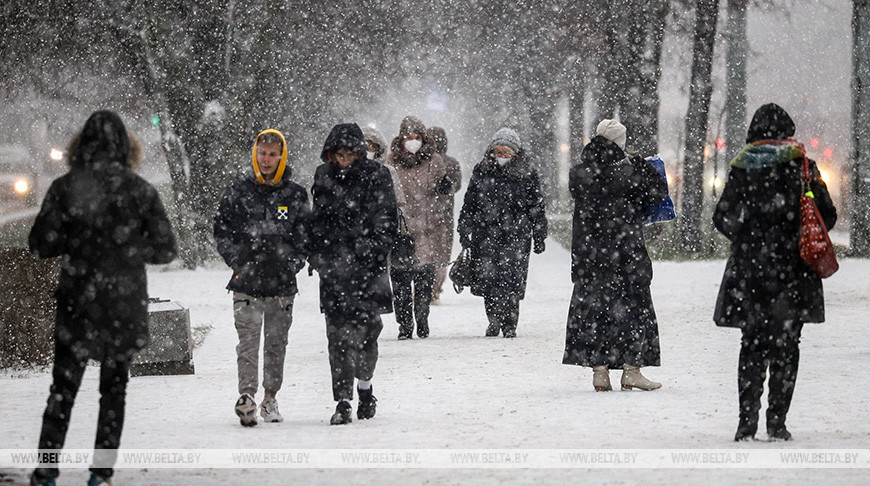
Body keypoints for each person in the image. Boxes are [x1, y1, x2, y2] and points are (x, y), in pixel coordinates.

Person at [28, 111, 177, 486]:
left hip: (78, 300)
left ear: (80, 146)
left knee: (62, 391)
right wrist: (126, 248)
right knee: (113, 393)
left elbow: (39, 243)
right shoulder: (140, 191)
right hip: (121, 304)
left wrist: (77, 243)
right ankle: (101, 472)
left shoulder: (65, 188)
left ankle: (46, 469)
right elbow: (165, 249)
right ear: (126, 147)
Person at [713, 103, 837, 442]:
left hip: (752, 273)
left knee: (751, 345)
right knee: (787, 346)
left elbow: (722, 216)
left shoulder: (743, 167)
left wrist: (747, 240)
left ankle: (746, 422)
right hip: (793, 272)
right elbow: (828, 215)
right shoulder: (804, 167)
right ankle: (777, 422)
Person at [561, 119, 667, 391]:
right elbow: (658, 193)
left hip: (590, 255)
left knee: (595, 311)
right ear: (620, 143)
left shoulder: (579, 173)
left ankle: (600, 372)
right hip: (626, 254)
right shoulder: (631, 173)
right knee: (632, 310)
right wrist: (643, 164)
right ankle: (632, 369)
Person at [214, 129, 309, 427]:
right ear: (255, 154)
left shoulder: (294, 194)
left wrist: (292, 262)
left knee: (276, 343)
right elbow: (222, 231)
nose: (266, 159)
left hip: (281, 286)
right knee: (248, 342)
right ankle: (247, 396)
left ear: (281, 156)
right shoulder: (238, 192)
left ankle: (270, 398)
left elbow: (304, 236)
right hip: (246, 283)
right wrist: (237, 261)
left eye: (272, 154)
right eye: (262, 153)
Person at [308, 122, 397, 425]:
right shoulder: (323, 176)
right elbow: (317, 220)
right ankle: (343, 400)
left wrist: (368, 250)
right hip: (333, 271)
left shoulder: (377, 176)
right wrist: (319, 254)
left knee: (368, 333)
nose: (344, 160)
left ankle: (365, 386)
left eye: (350, 154)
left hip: (367, 270)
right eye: (339, 155)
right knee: (338, 337)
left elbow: (387, 221)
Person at [457, 127, 547, 338]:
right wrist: (464, 228)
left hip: (516, 236)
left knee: (512, 280)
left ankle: (510, 323)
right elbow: (470, 203)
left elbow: (536, 205)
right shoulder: (482, 170)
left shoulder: (527, 173)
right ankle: (493, 320)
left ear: (515, 153)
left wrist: (539, 233)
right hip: (486, 234)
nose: (502, 157)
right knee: (490, 280)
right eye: (498, 152)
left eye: (506, 153)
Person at [387, 116, 450, 339]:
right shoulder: (392, 162)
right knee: (401, 283)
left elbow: (444, 195)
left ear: (423, 139)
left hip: (428, 229)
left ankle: (422, 318)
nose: (413, 141)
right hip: (401, 231)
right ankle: (404, 325)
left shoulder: (435, 161)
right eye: (408, 137)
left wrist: (445, 188)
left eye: (417, 137)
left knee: (424, 280)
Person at [428, 126, 462, 304]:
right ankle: (434, 288)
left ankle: (428, 287)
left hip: (433, 214)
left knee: (428, 252)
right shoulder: (452, 163)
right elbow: (458, 185)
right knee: (441, 253)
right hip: (443, 214)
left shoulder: (425, 162)